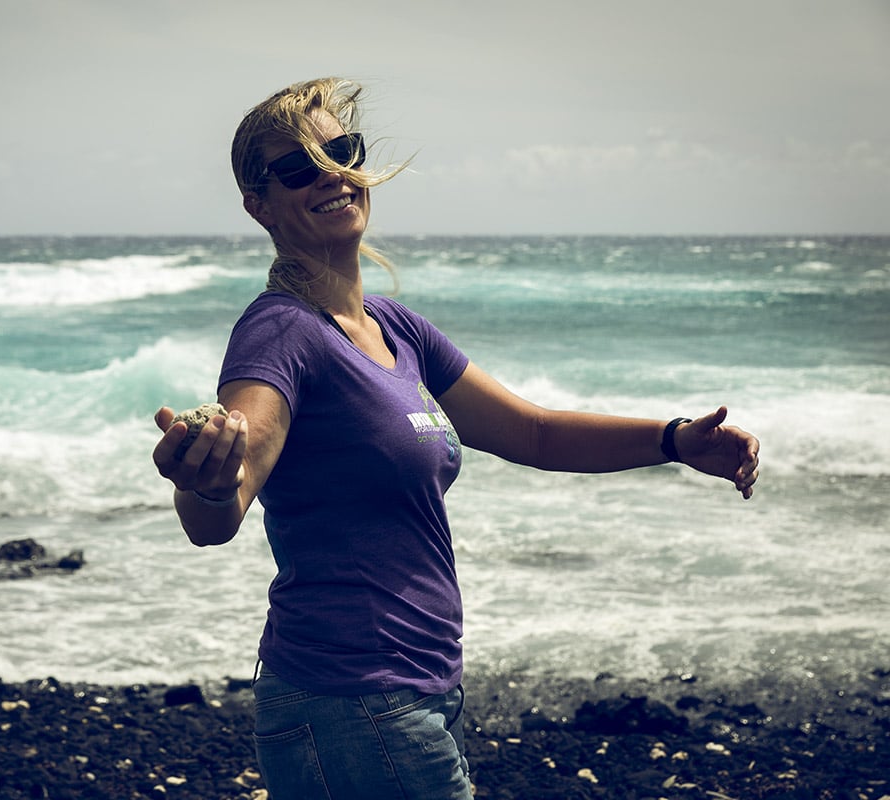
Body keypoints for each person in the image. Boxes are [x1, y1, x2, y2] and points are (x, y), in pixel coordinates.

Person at [151, 77, 760, 800]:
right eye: (297, 168)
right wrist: (208, 480)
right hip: (352, 699)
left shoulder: (394, 329)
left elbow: (533, 430)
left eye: (341, 149)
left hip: (415, 693)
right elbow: (229, 490)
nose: (330, 174)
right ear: (260, 204)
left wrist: (673, 439)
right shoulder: (281, 330)